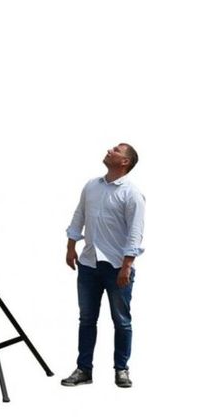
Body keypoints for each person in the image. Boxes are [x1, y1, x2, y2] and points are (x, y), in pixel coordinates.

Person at [60, 143, 146, 388]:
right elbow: (79, 215)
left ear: (125, 162)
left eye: (117, 150)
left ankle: (121, 369)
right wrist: (70, 246)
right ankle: (83, 369)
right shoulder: (91, 186)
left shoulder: (131, 194)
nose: (110, 150)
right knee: (87, 319)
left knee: (122, 320)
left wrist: (127, 265)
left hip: (116, 267)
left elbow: (135, 232)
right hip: (88, 263)